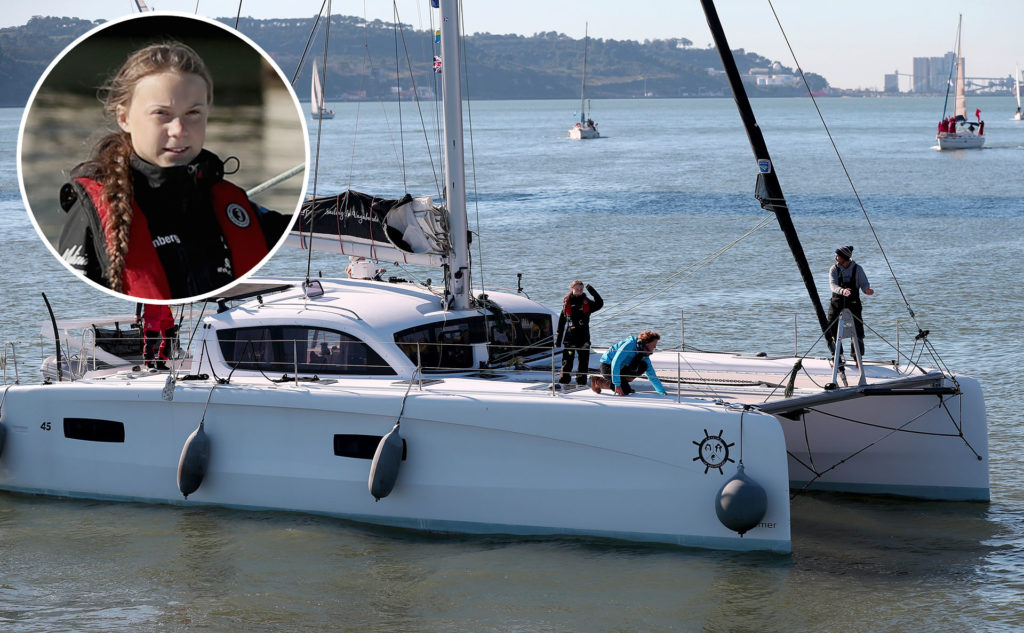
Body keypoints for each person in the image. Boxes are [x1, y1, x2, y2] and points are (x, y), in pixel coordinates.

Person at [57, 41, 289, 300]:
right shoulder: (94, 212)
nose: (179, 129)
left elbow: (303, 227)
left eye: (193, 113)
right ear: (124, 117)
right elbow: (74, 301)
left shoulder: (235, 207)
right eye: (161, 113)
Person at [826, 245, 874, 357]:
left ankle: (857, 356)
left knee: (858, 330)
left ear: (844, 257)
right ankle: (837, 356)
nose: (835, 258)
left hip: (854, 303)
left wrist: (866, 290)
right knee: (830, 328)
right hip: (837, 302)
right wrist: (843, 291)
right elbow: (833, 286)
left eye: (837, 256)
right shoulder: (833, 269)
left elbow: (864, 283)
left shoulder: (858, 269)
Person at [590, 329, 667, 397]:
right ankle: (598, 381)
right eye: (654, 345)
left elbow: (651, 374)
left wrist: (662, 391)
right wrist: (617, 384)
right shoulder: (630, 344)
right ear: (647, 343)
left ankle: (623, 381)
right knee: (625, 391)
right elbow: (615, 362)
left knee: (644, 365)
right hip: (608, 365)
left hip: (621, 367)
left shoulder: (644, 353)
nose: (654, 348)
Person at [554, 280, 603, 386]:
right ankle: (564, 381)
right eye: (577, 289)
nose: (579, 291)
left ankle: (581, 382)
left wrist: (591, 289)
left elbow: (600, 303)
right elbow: (561, 323)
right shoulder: (567, 303)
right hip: (570, 337)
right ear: (572, 289)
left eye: (581, 289)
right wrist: (558, 341)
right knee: (567, 360)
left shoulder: (587, 303)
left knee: (583, 362)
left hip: (584, 337)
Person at [140, 303, 176, 370]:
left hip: (166, 314)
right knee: (151, 339)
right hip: (151, 314)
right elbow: (139, 297)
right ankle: (149, 363)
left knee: (170, 339)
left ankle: (161, 362)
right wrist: (137, 314)